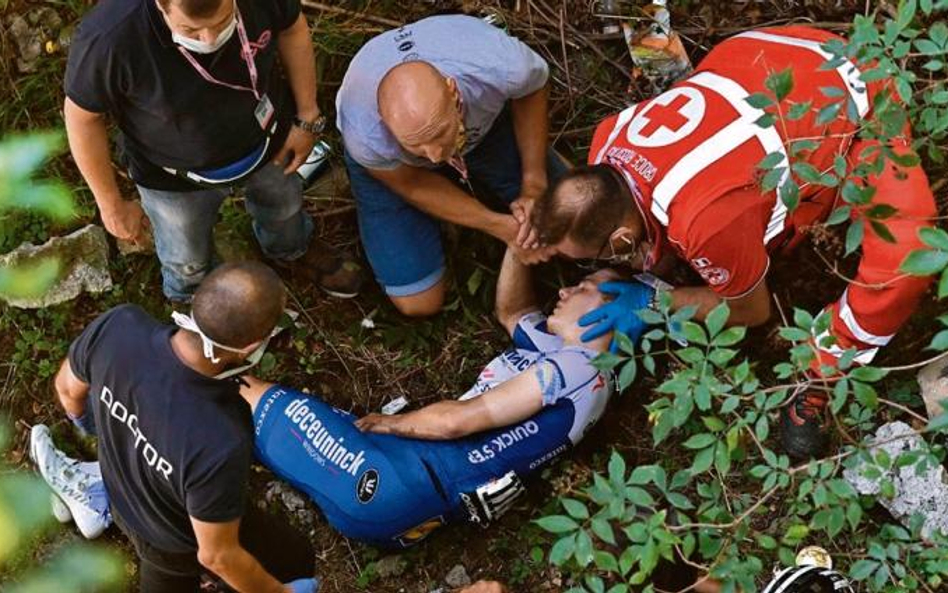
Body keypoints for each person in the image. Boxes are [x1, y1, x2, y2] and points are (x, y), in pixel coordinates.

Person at [528, 26, 937, 460]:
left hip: (859, 106)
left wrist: (652, 302)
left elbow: (752, 310)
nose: (590, 269)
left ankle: (821, 373)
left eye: (594, 257)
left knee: (908, 256)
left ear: (622, 237)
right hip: (762, 56)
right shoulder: (606, 142)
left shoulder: (704, 221)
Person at [242, 249, 624, 547]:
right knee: (242, 425)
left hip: (403, 479)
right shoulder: (567, 354)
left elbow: (455, 421)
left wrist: (391, 422)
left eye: (585, 287)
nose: (565, 290)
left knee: (245, 393)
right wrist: (517, 245)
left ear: (614, 313)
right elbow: (514, 311)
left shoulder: (579, 367)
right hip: (414, 502)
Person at [63, 0, 362, 302]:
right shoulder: (110, 37)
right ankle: (195, 300)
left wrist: (307, 116)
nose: (207, 39)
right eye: (189, 30)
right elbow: (82, 118)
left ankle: (291, 250)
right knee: (186, 256)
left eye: (221, 23)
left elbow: (292, 29)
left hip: (269, 141)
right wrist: (111, 204)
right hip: (174, 177)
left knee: (284, 208)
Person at [49, 262, 317, 592]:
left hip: (119, 492)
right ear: (251, 347)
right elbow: (217, 555)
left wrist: (101, 428)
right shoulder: (220, 438)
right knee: (294, 562)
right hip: (172, 547)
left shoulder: (120, 325)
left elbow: (66, 390)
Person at [336, 14, 567, 317]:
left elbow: (533, 90)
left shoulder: (502, 66)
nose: (432, 156)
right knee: (419, 303)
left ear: (454, 92)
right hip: (399, 169)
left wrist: (534, 182)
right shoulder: (365, 132)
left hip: (481, 131)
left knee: (567, 218)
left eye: (437, 134)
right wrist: (501, 227)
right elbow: (413, 183)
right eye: (415, 144)